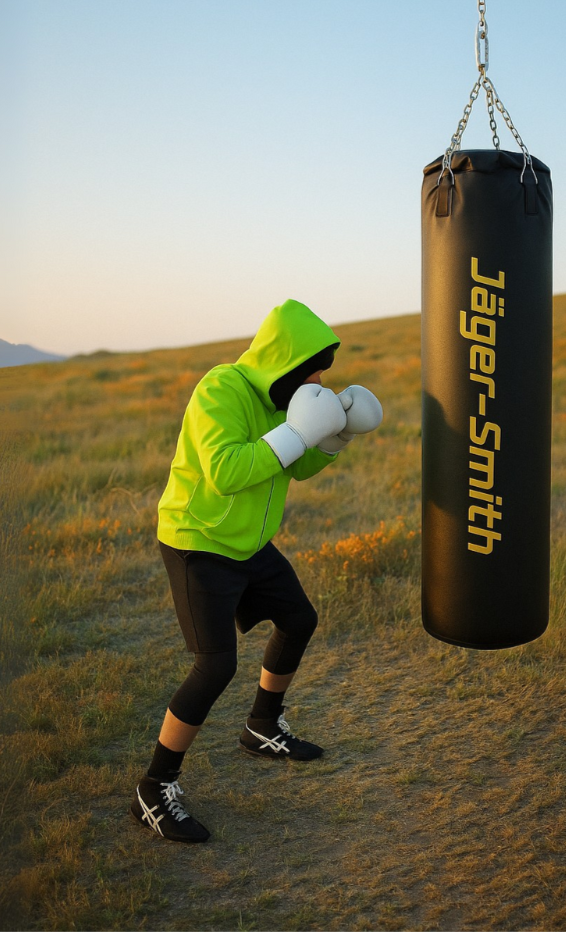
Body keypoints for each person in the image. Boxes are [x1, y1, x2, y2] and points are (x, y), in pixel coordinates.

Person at [131, 299, 383, 843]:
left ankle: (263, 726)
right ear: (286, 362)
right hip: (199, 543)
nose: (319, 380)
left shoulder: (283, 402)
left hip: (249, 544)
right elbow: (225, 471)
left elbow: (301, 463)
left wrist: (336, 438)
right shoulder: (220, 389)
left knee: (299, 619)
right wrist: (297, 432)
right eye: (313, 368)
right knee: (215, 665)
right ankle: (155, 786)